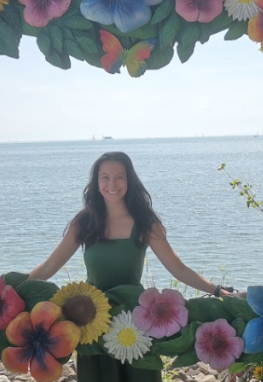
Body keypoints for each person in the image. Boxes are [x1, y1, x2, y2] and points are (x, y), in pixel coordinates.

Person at [28, 151, 236, 382]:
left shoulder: (146, 222)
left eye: (119, 177)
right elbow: (49, 267)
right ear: (96, 183)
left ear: (129, 181)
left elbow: (178, 269)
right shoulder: (84, 222)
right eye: (105, 177)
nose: (112, 184)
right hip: (91, 321)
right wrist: (11, 287)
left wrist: (216, 290)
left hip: (136, 321)